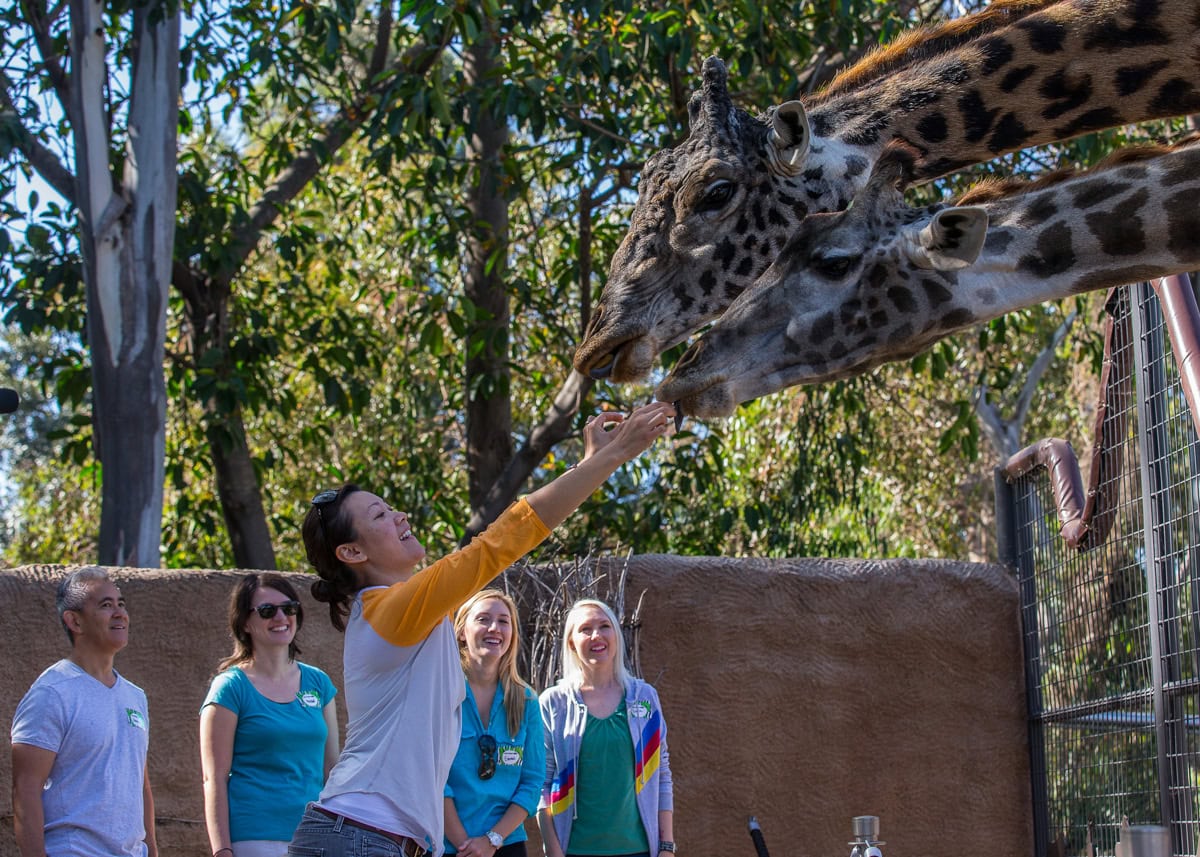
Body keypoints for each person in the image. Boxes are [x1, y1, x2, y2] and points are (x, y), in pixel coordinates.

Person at [289, 401, 676, 857]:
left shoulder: (407, 613)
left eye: (391, 508)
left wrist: (589, 464)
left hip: (371, 839)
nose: (399, 516)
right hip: (358, 836)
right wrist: (610, 459)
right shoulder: (390, 610)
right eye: (379, 516)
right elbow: (501, 542)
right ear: (352, 554)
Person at [10, 567, 158, 857]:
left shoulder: (135, 696)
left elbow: (140, 784)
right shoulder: (52, 693)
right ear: (74, 621)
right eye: (106, 605)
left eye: (121, 604)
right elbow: (25, 792)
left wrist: (151, 850)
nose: (120, 613)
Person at [200, 573, 340, 857]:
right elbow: (213, 778)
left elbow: (332, 771)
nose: (281, 617)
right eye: (267, 611)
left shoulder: (319, 683)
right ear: (245, 622)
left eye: (288, 608)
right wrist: (222, 849)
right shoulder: (230, 687)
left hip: (315, 837)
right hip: (254, 838)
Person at [537, 599, 675, 857]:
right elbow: (542, 785)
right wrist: (554, 852)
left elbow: (662, 774)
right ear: (571, 642)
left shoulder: (644, 697)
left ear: (616, 635)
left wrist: (667, 846)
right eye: (585, 629)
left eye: (604, 626)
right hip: (575, 850)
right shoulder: (552, 703)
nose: (596, 635)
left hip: (640, 850)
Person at [444, 589, 544, 857]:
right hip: (448, 845)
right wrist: (466, 845)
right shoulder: (441, 696)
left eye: (503, 621)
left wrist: (492, 840)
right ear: (462, 631)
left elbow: (532, 782)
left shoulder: (526, 701)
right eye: (483, 619)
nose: (494, 628)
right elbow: (433, 780)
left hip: (505, 844)